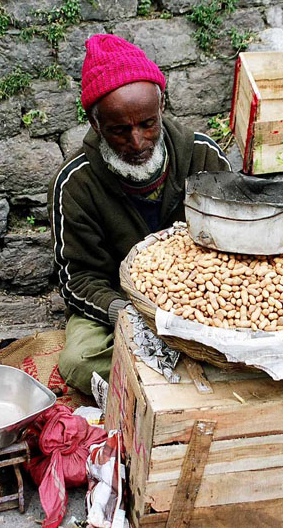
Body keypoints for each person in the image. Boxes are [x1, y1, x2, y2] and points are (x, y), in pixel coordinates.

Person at [48, 34, 231, 394]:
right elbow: (79, 279)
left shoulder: (201, 155)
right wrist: (130, 315)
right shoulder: (75, 183)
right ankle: (192, 372)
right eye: (120, 130)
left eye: (147, 123)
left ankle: (174, 372)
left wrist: (207, 303)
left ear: (161, 108)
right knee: (79, 361)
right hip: (122, 302)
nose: (137, 142)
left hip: (205, 296)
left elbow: (234, 235)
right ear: (96, 124)